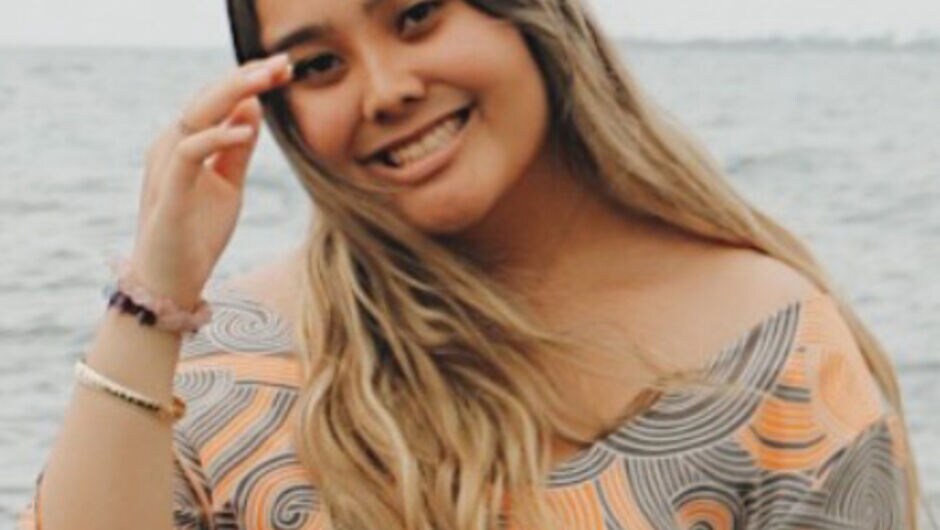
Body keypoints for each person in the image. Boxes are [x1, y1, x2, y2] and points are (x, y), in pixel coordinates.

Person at [18, 0, 921, 528]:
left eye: (416, 16)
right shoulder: (232, 368)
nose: (386, 90)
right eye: (322, 65)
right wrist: (156, 292)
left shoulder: (775, 360)